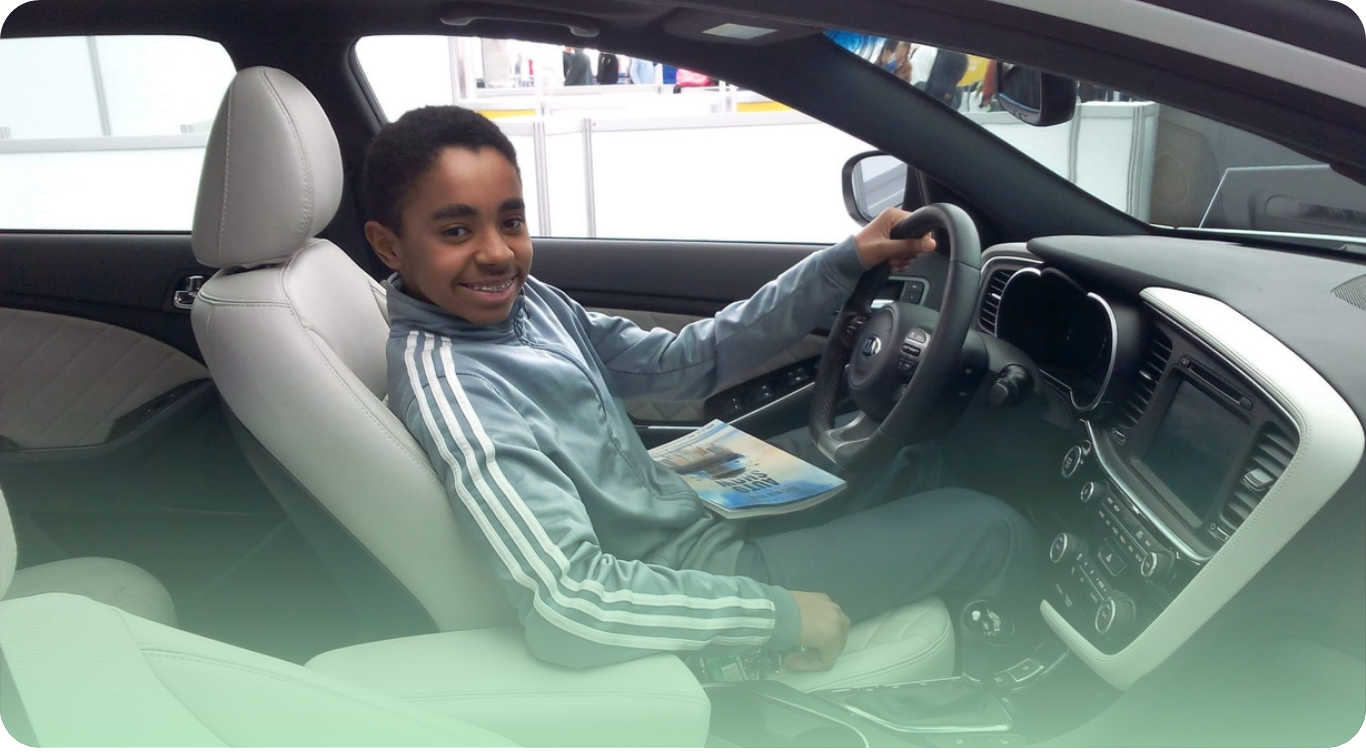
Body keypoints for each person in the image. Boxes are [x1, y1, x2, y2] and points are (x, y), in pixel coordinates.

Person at [362, 106, 1042, 673]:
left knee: (917, 458)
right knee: (992, 530)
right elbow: (569, 602)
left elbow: (681, 362)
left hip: (691, 501)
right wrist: (775, 616)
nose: (497, 253)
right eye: (457, 230)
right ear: (389, 246)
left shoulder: (528, 304)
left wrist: (843, 264)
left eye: (510, 221)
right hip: (690, 569)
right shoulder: (459, 390)